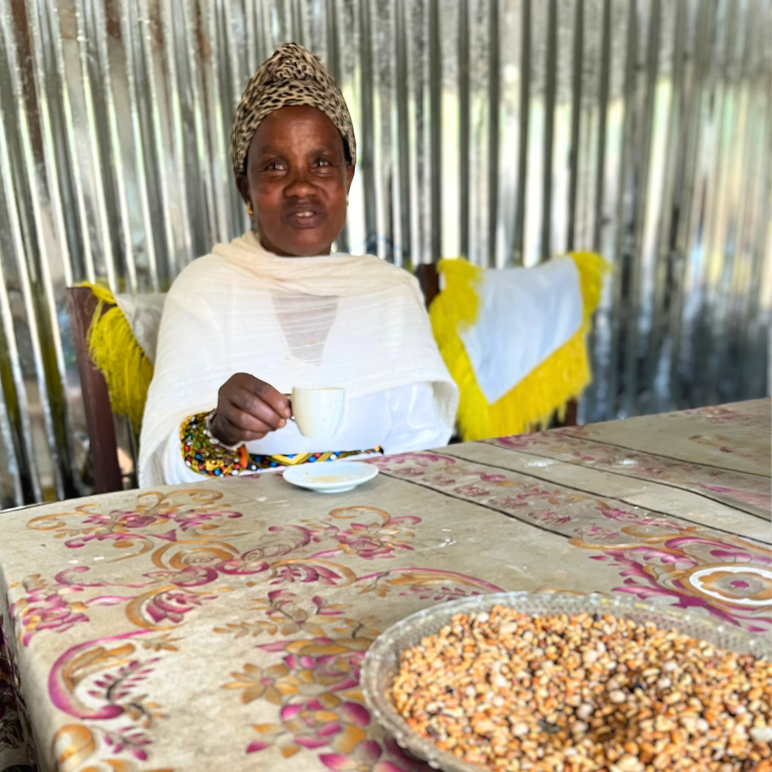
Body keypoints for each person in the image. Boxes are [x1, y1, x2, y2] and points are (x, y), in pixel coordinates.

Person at [138, 43, 458, 487]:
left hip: (378, 525)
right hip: (243, 533)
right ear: (245, 190)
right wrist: (217, 429)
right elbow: (164, 468)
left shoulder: (389, 291)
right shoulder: (205, 290)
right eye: (274, 167)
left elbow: (423, 446)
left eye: (322, 163)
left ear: (348, 179)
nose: (301, 187)